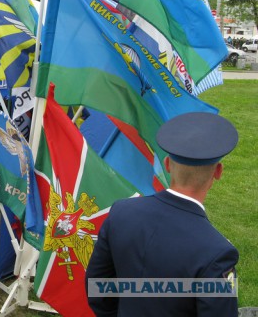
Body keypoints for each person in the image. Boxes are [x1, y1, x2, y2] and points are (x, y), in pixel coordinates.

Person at [86, 112, 239, 316]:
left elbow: (97, 288)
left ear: (167, 164)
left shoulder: (121, 212)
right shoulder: (217, 252)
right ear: (218, 172)